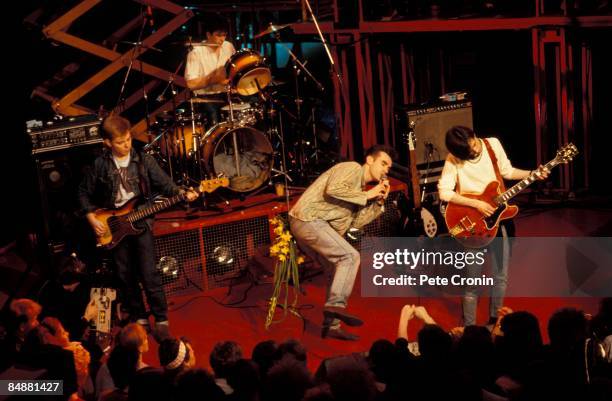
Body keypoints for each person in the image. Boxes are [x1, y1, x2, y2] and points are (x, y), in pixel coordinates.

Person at [77, 115, 198, 340]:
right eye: (121, 142)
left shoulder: (144, 161)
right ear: (107, 142)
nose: (127, 144)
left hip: (141, 222)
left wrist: (184, 194)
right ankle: (139, 316)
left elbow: (167, 185)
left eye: (129, 139)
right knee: (125, 275)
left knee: (149, 274)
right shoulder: (99, 165)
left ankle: (161, 318)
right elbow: (83, 193)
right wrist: (92, 217)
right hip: (113, 225)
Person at [437, 126, 549, 326]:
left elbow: (508, 171)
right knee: (472, 282)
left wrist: (532, 173)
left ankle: (494, 323)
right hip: (471, 223)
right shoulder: (454, 158)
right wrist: (477, 203)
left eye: (473, 145)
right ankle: (469, 328)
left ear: (473, 136)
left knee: (500, 277)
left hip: (499, 221)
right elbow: (444, 192)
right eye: (468, 152)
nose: (474, 152)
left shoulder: (492, 144)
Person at [289, 145, 395, 341]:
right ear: (369, 160)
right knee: (350, 256)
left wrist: (378, 203)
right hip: (307, 219)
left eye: (389, 167)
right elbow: (333, 188)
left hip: (318, 227)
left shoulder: (360, 190)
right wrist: (368, 195)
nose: (386, 169)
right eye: (383, 163)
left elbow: (355, 222)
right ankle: (337, 305)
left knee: (334, 269)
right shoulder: (352, 168)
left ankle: (332, 327)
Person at [184, 16, 235, 126]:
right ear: (208, 34)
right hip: (206, 99)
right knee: (214, 121)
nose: (222, 39)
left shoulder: (228, 47)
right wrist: (212, 79)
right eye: (218, 35)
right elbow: (190, 84)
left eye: (224, 35)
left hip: (226, 95)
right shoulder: (196, 53)